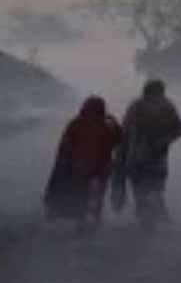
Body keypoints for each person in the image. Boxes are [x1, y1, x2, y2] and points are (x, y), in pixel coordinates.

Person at [111, 79, 181, 231]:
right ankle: (152, 216)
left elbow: (125, 130)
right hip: (154, 157)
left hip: (140, 156)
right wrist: (164, 140)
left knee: (143, 188)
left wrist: (121, 152)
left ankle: (147, 217)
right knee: (153, 188)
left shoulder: (138, 105)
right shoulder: (165, 106)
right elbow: (180, 130)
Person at [43, 95, 122, 233]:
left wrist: (63, 165)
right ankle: (90, 222)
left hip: (81, 168)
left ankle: (80, 221)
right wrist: (114, 122)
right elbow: (119, 140)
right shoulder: (105, 125)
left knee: (82, 195)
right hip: (97, 169)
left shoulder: (77, 123)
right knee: (94, 197)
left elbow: (65, 146)